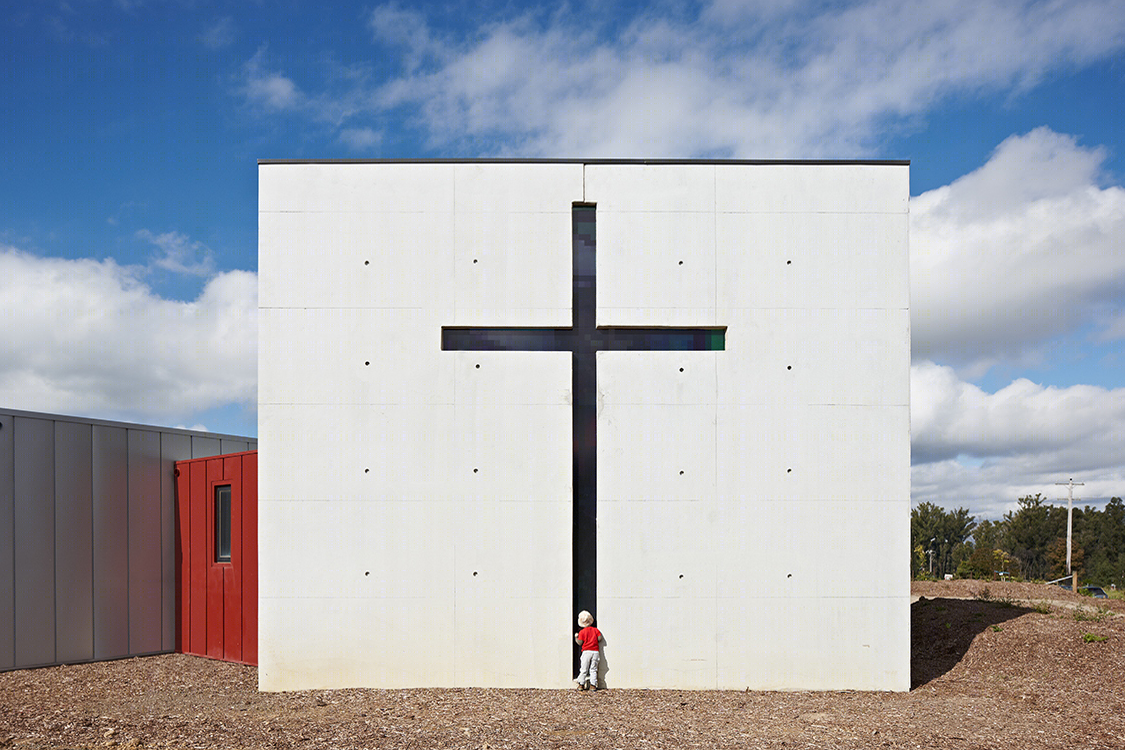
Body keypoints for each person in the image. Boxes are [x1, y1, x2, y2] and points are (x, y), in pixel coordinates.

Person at [574, 610, 603, 691]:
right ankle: (593, 685)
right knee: (593, 669)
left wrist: (576, 637)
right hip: (595, 652)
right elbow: (599, 639)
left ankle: (581, 684)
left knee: (584, 668)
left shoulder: (582, 632)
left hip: (586, 651)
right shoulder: (595, 630)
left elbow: (580, 643)